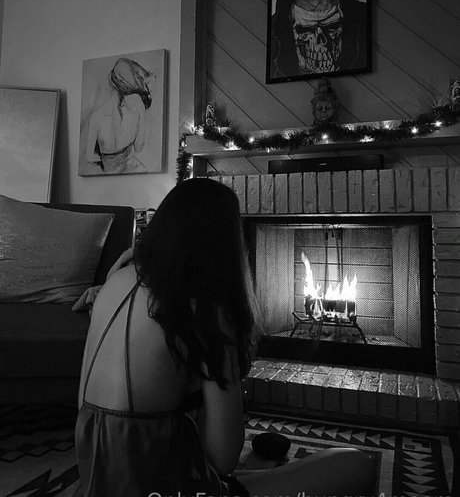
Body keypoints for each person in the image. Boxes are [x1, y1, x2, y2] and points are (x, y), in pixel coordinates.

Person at [74, 178, 376, 496]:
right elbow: (223, 459)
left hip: (97, 480)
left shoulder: (112, 284)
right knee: (356, 464)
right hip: (162, 487)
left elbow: (87, 406)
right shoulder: (202, 307)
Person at [85, 58, 154, 174]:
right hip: (133, 170)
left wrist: (108, 160)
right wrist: (142, 112)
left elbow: (89, 157)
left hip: (108, 172)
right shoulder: (137, 109)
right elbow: (139, 146)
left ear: (111, 81)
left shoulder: (96, 116)